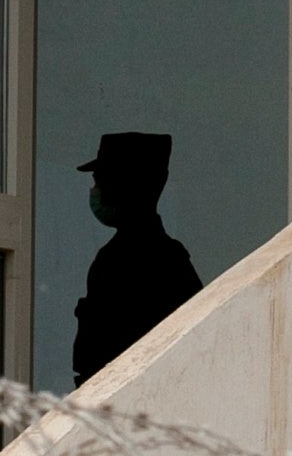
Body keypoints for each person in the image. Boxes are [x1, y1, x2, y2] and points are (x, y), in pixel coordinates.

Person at [72, 132, 202, 383]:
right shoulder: (168, 257)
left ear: (123, 185)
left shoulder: (128, 260)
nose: (95, 190)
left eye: (100, 180)